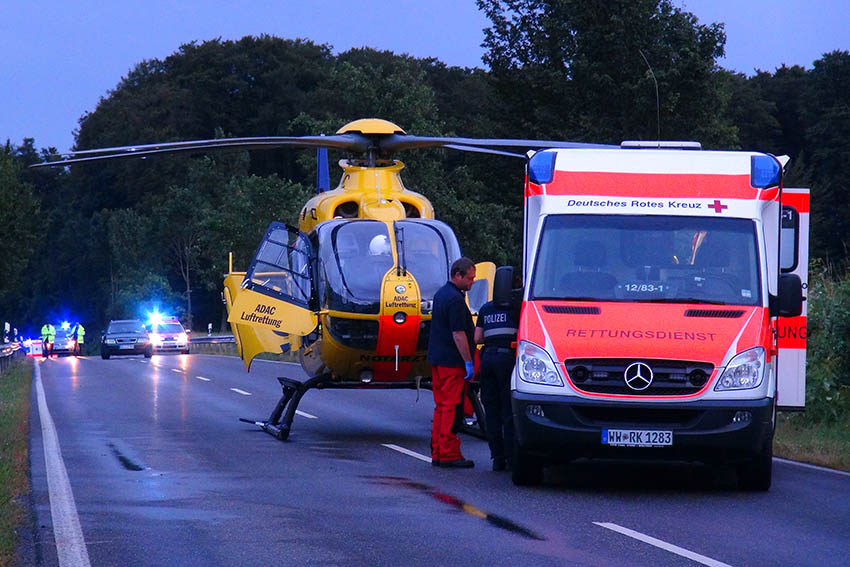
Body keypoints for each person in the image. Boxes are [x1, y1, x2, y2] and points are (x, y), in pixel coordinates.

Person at [427, 257, 477, 468]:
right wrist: (468, 361)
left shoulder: (441, 294)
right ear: (458, 275)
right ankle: (448, 452)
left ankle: (438, 449)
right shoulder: (456, 300)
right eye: (469, 278)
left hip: (437, 359)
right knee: (450, 406)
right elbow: (459, 334)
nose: (471, 283)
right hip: (451, 362)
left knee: (441, 406)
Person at [474, 270, 521, 471]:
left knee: (491, 411)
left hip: (487, 361)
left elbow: (477, 338)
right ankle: (511, 457)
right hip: (506, 361)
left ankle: (497, 458)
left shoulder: (485, 309)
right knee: (508, 411)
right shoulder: (516, 309)